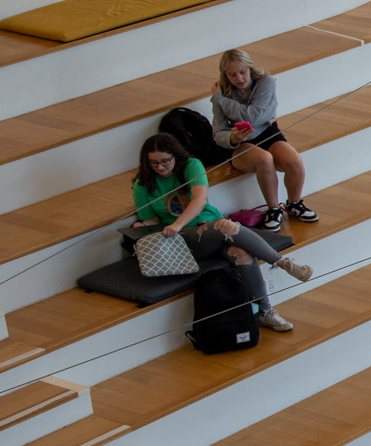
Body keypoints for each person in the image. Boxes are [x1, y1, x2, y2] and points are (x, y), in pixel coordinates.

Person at [131, 133, 310, 332]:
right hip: (184, 238)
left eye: (165, 161)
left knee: (241, 253)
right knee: (226, 226)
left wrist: (178, 223)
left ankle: (265, 312)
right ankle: (283, 263)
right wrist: (146, 225)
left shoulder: (191, 165)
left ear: (175, 155)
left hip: (206, 226)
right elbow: (151, 219)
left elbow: (199, 201)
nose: (160, 167)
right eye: (154, 163)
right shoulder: (142, 184)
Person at [210, 48, 313, 234]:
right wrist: (232, 137)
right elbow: (218, 133)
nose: (239, 79)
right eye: (232, 75)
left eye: (243, 72)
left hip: (268, 134)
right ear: (225, 75)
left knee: (294, 160)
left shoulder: (266, 82)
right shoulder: (223, 92)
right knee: (264, 159)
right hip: (240, 142)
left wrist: (221, 101)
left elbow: (254, 117)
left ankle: (295, 203)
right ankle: (274, 209)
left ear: (250, 67)